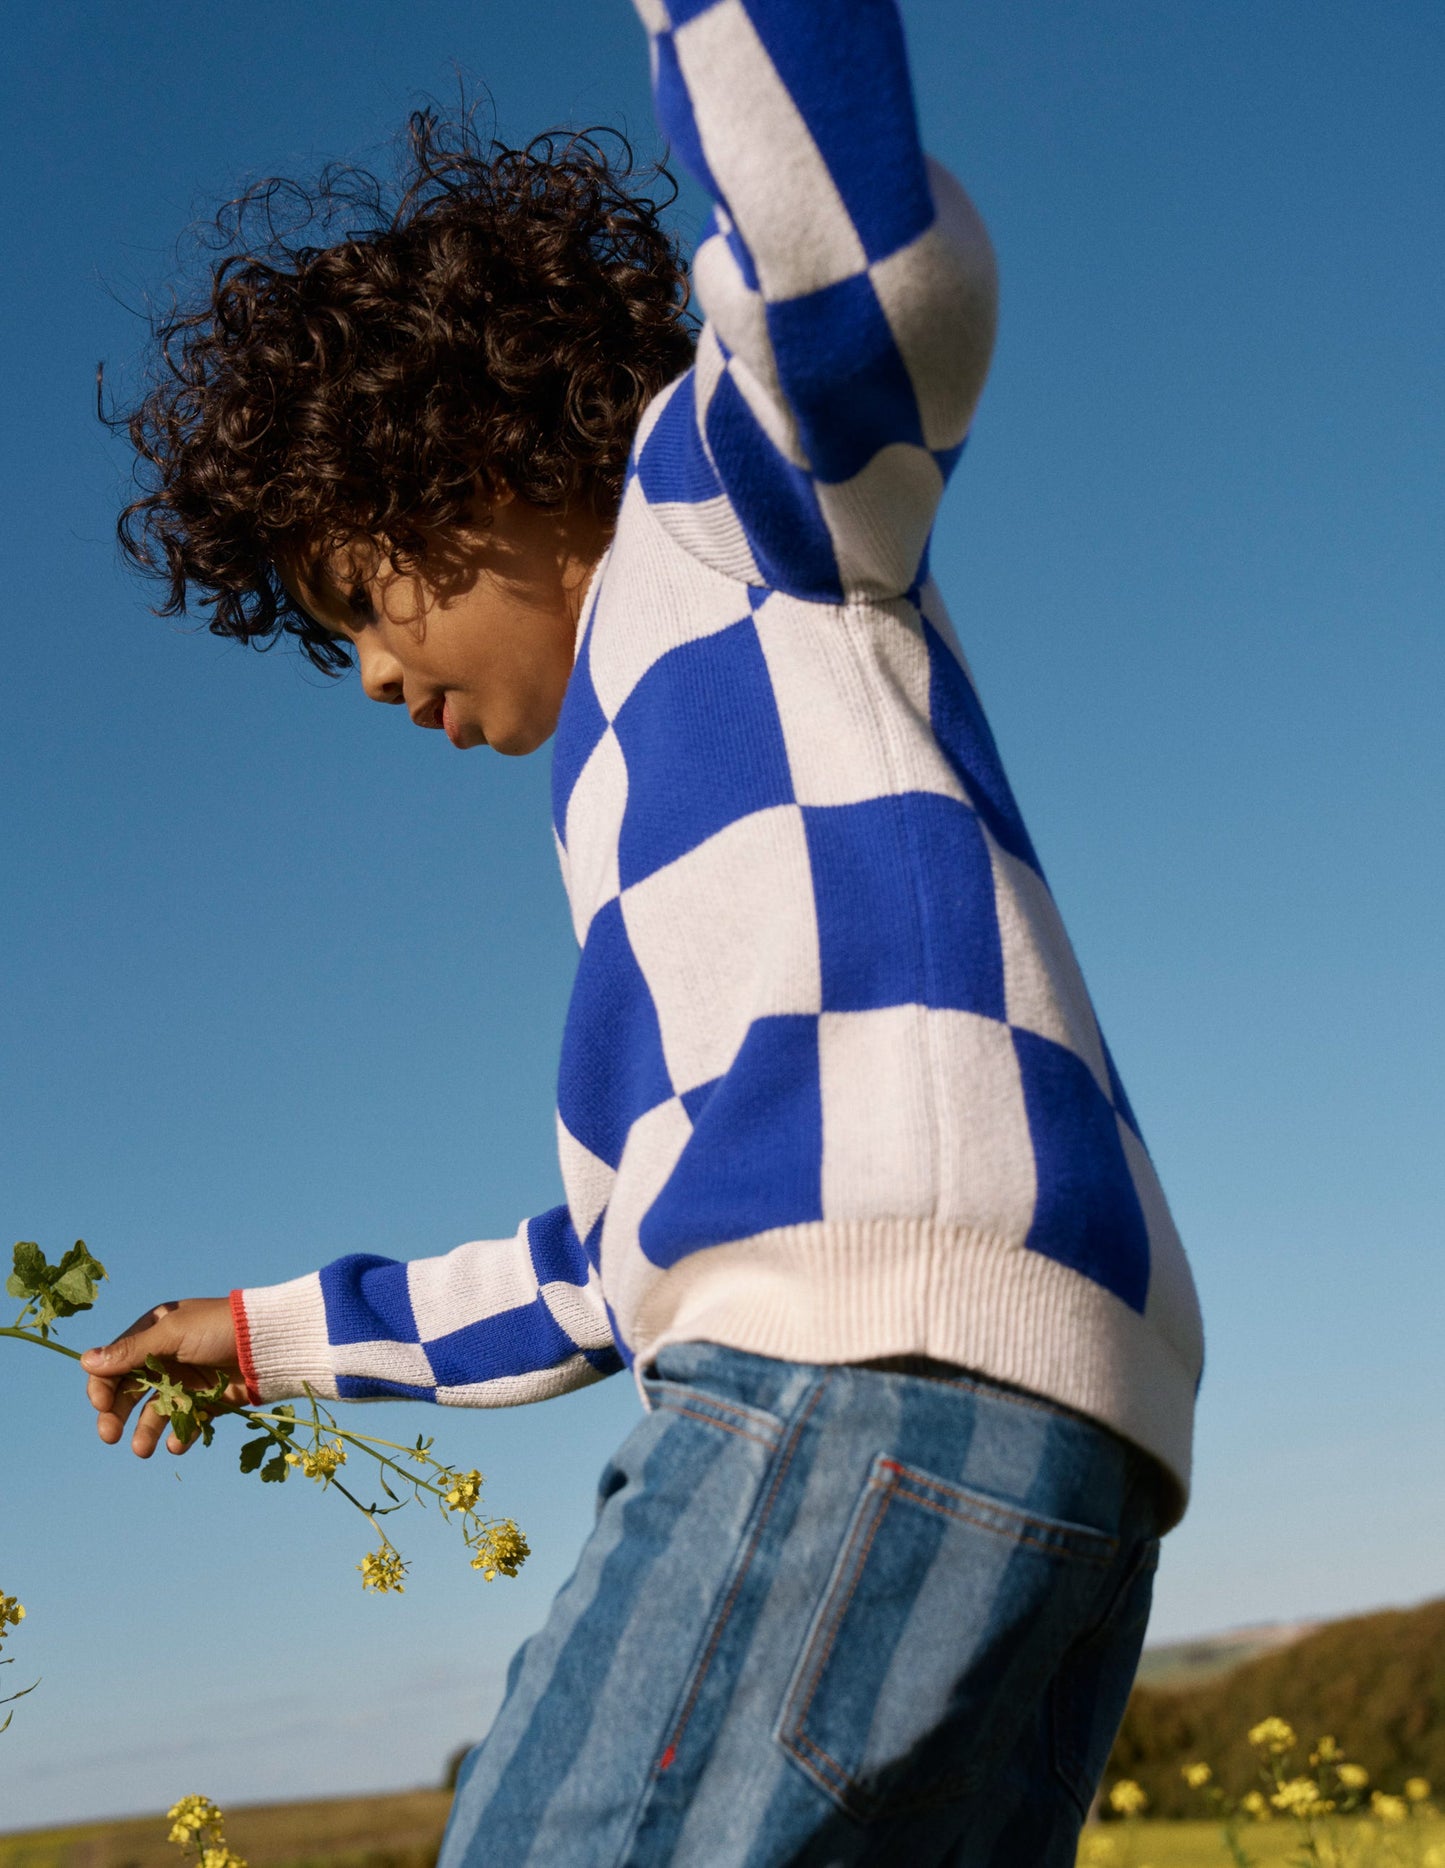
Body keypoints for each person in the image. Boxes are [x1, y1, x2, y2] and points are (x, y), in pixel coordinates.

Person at [83, 2, 1204, 1861]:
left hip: (862, 1387)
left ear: (474, 452)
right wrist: (265, 1337)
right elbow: (609, 1269)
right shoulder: (638, 816)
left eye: (361, 593)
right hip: (1070, 1441)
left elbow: (850, 258)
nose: (366, 673)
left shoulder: (721, 511)